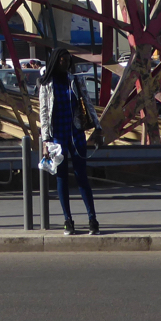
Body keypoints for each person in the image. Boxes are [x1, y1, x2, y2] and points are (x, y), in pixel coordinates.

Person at [39, 49, 102, 236]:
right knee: (61, 178)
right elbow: (43, 113)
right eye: (62, 60)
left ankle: (92, 219)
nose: (66, 64)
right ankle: (68, 220)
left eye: (68, 60)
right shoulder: (47, 84)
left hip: (75, 134)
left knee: (81, 175)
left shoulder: (74, 80)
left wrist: (97, 127)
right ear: (55, 62)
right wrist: (45, 141)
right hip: (57, 136)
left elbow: (88, 103)